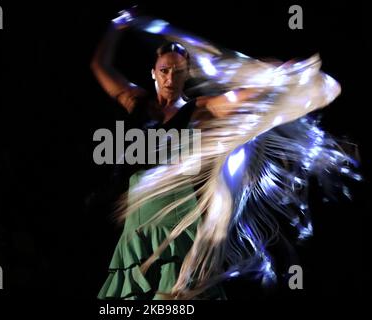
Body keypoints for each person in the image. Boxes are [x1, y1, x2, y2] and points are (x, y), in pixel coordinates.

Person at [90, 18, 261, 300]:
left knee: (176, 293)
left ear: (187, 74)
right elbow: (100, 67)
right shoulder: (137, 101)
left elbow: (235, 99)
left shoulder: (197, 109)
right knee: (134, 292)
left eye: (178, 72)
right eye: (164, 71)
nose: (170, 78)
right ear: (154, 73)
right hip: (139, 212)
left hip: (176, 208)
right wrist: (115, 27)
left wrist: (275, 79)